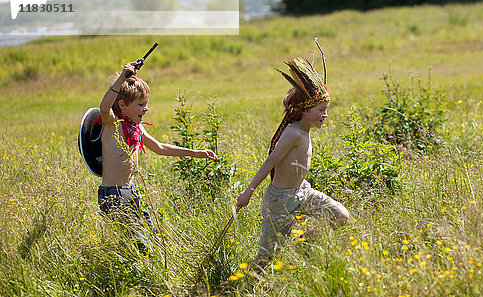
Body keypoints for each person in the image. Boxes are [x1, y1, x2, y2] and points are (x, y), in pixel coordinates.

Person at [236, 57, 349, 267]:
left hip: (303, 192)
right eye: (321, 110)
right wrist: (248, 191)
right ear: (305, 110)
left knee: (340, 215)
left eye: (326, 109)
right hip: (280, 201)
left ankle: (304, 246)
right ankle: (245, 287)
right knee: (266, 257)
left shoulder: (305, 129)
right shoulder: (294, 132)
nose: (325, 115)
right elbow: (271, 161)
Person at [98, 61, 218, 254]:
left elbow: (160, 147)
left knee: (151, 235)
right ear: (122, 104)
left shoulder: (135, 127)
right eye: (140, 104)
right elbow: (104, 107)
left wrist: (196, 153)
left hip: (130, 193)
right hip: (112, 195)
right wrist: (123, 76)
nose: (146, 109)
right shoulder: (114, 123)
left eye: (146, 104)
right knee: (139, 243)